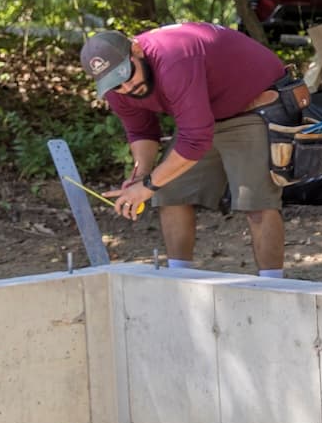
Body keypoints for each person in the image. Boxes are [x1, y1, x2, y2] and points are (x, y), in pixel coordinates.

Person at [79, 24, 302, 278]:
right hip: (203, 114)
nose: (127, 88)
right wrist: (141, 175)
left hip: (254, 105)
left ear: (137, 50)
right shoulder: (117, 87)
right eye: (116, 84)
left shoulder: (174, 59)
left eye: (127, 75)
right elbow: (141, 131)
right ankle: (179, 279)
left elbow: (195, 140)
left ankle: (272, 286)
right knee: (171, 191)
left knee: (256, 201)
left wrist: (148, 186)